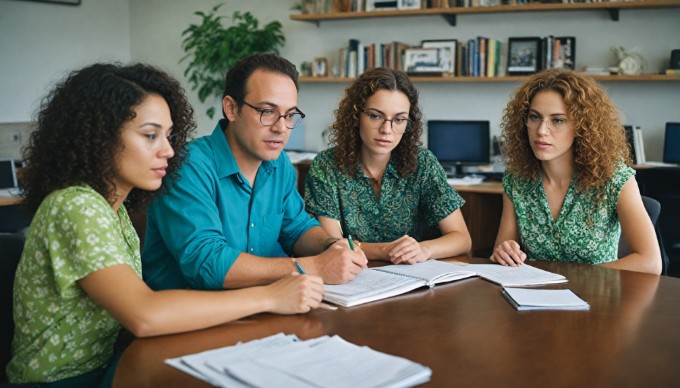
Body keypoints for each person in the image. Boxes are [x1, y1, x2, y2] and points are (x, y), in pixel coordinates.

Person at [7, 63, 326, 386]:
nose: (169, 151)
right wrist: (270, 297)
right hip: (64, 381)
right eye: (150, 135)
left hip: (111, 366)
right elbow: (144, 314)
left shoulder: (111, 209)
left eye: (168, 135)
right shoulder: (77, 206)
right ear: (100, 137)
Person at [141, 53, 367, 291]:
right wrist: (314, 267)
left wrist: (331, 245)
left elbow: (296, 228)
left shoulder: (280, 165)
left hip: (262, 304)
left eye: (290, 115)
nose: (281, 128)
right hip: (188, 315)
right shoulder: (187, 165)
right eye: (267, 111)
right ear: (231, 108)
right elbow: (207, 263)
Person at [490, 68, 661, 274]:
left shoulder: (614, 179)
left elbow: (650, 263)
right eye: (534, 117)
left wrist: (570, 278)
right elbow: (504, 252)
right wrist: (504, 252)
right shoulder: (517, 179)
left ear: (582, 126)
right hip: (536, 298)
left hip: (599, 299)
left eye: (558, 120)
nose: (542, 130)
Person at [304, 67, 471, 264]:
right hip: (350, 278)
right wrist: (385, 250)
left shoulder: (423, 163)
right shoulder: (327, 166)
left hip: (412, 280)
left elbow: (462, 239)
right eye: (375, 116)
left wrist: (423, 249)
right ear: (356, 116)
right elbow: (333, 246)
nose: (387, 130)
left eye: (399, 119)